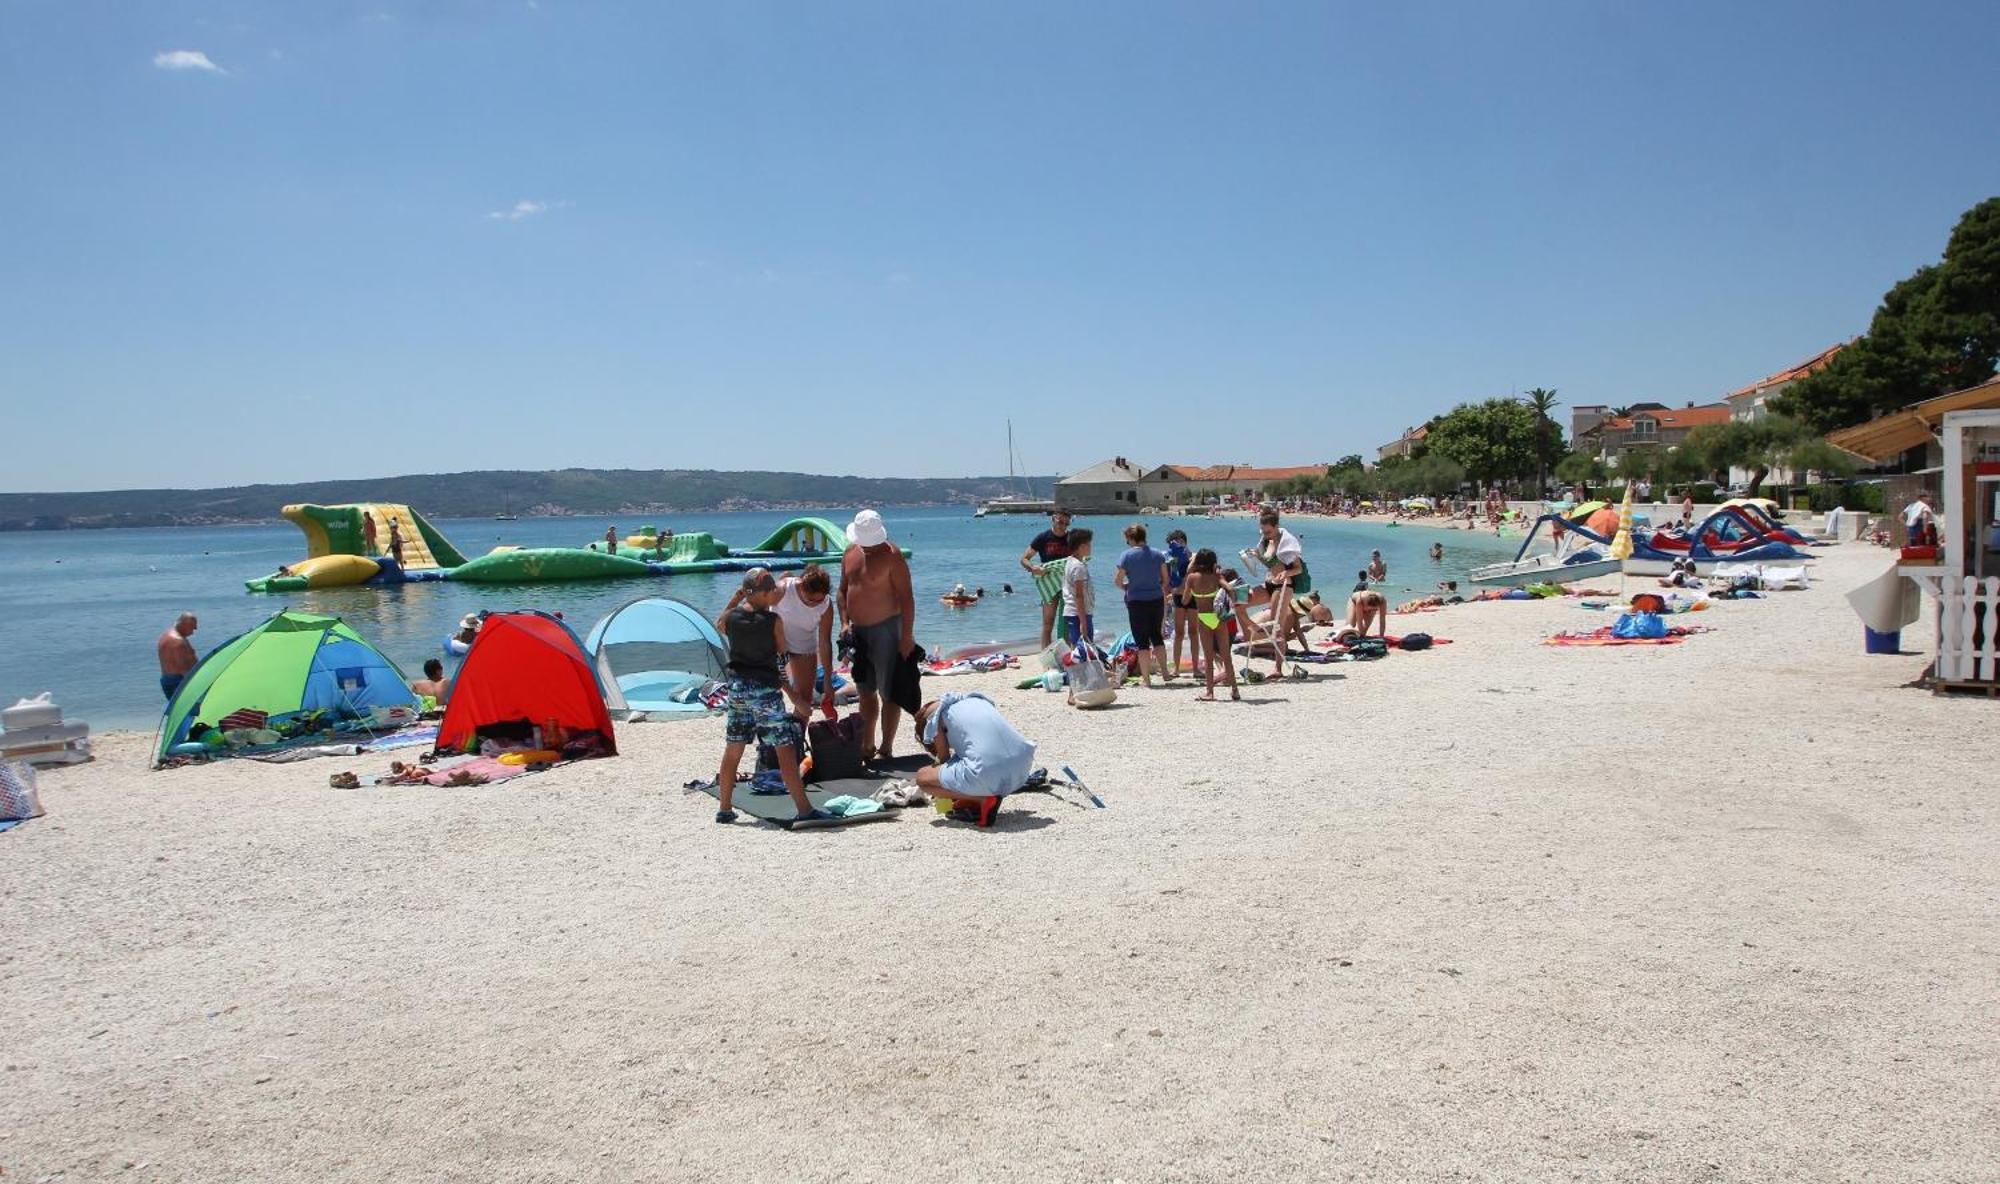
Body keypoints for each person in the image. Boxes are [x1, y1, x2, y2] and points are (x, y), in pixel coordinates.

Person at [711, 569, 820, 825]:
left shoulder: (734, 617)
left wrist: (737, 597)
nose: (777, 595)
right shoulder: (773, 621)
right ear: (764, 593)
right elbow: (781, 660)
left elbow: (719, 624)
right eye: (773, 591)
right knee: (784, 749)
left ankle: (725, 808)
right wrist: (796, 697)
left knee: (734, 747)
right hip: (765, 691)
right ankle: (804, 809)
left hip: (737, 688)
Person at [838, 509, 915, 761]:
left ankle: (886, 747)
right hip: (858, 632)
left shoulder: (893, 556)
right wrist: (844, 622)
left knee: (889, 691)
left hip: (886, 629)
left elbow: (907, 598)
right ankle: (867, 744)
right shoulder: (850, 553)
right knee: (865, 690)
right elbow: (842, 591)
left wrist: (906, 636)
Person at [912, 693, 1037, 804]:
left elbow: (944, 759)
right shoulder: (977, 700)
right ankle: (984, 794)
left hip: (989, 773)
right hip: (1023, 770)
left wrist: (943, 791)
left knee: (922, 778)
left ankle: (982, 800)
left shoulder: (934, 720)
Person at [774, 566, 837, 723]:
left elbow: (825, 642)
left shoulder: (826, 605)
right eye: (810, 600)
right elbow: (757, 608)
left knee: (805, 702)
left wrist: (828, 681)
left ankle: (798, 741)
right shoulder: (783, 589)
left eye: (819, 600)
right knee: (770, 696)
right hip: (775, 644)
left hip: (804, 647)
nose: (814, 604)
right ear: (800, 587)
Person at [1114, 523, 1171, 687]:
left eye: (1128, 540)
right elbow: (1166, 580)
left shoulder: (1126, 556)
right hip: (1156, 599)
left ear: (1131, 538)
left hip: (1136, 601)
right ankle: (1165, 673)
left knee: (1141, 641)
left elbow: (1118, 580)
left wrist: (1127, 586)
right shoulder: (1158, 555)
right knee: (1157, 636)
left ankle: (1147, 679)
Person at [1181, 550, 1238, 701]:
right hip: (1218, 617)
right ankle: (1235, 690)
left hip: (1203, 618)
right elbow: (1231, 590)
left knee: (1208, 656)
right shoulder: (1216, 577)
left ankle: (1210, 692)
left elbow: (1185, 601)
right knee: (1226, 656)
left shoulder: (1192, 578)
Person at [1019, 510, 1075, 648]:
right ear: (1053, 519)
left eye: (1066, 523)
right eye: (1060, 521)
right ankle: (1047, 656)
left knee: (1070, 621)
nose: (1063, 526)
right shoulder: (1043, 538)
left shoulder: (1072, 538)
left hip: (1068, 583)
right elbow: (1024, 559)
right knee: (1047, 623)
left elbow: (1081, 558)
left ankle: (1068, 655)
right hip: (1049, 584)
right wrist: (1033, 569)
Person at [1163, 528, 1194, 680]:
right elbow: (1167, 580)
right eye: (1174, 543)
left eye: (1180, 542)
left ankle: (1196, 668)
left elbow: (1191, 575)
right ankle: (1176, 668)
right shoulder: (1169, 558)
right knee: (1179, 633)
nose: (1177, 545)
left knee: (1194, 633)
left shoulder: (1192, 556)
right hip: (1177, 597)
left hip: (1192, 596)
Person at [1059, 528, 1096, 646]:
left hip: (1073, 613)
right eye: (1089, 544)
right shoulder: (1078, 567)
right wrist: (1083, 622)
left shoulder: (1070, 562)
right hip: (1078, 614)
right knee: (1084, 648)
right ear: (1081, 546)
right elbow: (1078, 595)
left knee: (1078, 647)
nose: (1090, 547)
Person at [157, 612, 197, 700]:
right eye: (192, 628)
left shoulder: (167, 635)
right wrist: (197, 684)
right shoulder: (177, 641)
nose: (194, 631)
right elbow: (183, 668)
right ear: (184, 624)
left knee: (178, 709)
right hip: (178, 681)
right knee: (188, 710)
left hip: (169, 679)